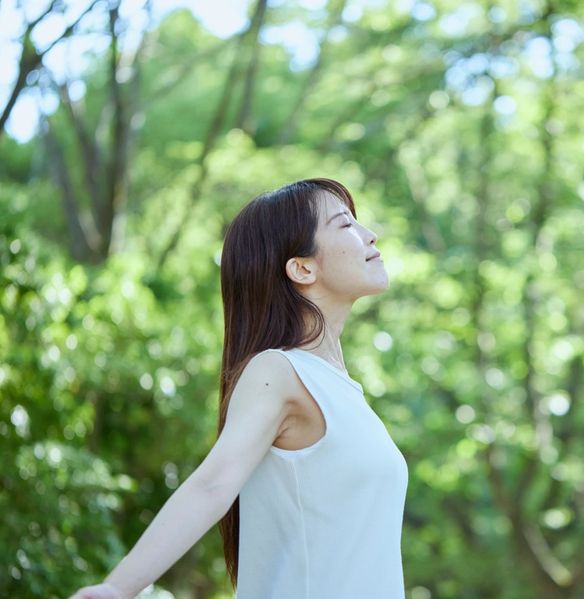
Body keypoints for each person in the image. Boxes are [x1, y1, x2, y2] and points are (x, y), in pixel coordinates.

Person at [68, 178, 408, 599]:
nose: (369, 234)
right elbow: (212, 484)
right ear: (302, 268)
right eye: (345, 224)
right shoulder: (279, 370)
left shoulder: (343, 390)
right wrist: (116, 589)